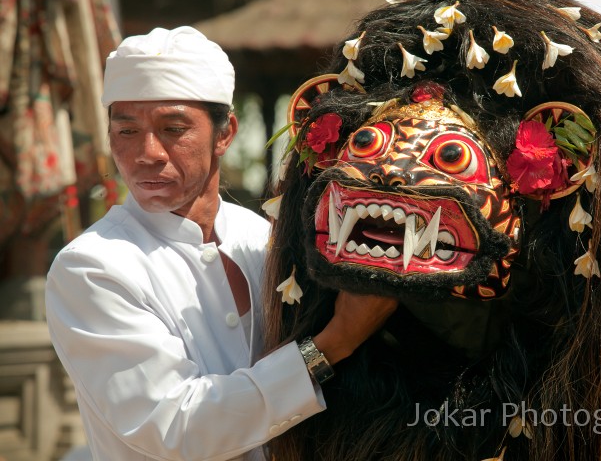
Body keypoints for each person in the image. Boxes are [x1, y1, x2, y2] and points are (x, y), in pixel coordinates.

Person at [260, 0, 601, 460]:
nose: (392, 176)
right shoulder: (281, 252)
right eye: (365, 146)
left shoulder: (580, 278)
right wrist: (336, 341)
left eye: (451, 157)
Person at [45, 26, 397, 461]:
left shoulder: (261, 238)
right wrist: (335, 342)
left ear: (225, 133)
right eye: (127, 131)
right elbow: (174, 428)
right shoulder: (93, 268)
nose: (147, 152)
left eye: (173, 128)